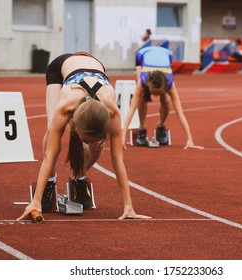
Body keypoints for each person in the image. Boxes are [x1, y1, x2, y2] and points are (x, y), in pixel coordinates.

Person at [17, 52, 151, 221]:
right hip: (61, 67)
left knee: (99, 145)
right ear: (75, 124)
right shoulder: (65, 106)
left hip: (95, 67)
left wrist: (128, 206)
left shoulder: (112, 111)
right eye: (84, 140)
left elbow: (118, 160)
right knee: (51, 131)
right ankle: (50, 182)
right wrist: (36, 201)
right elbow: (50, 155)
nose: (84, 144)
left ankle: (78, 177)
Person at [122, 46, 203, 150]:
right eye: (153, 92)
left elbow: (180, 113)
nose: (155, 96)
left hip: (166, 55)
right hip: (142, 55)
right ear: (148, 85)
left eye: (159, 93)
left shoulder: (170, 84)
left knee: (166, 98)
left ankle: (161, 125)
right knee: (141, 96)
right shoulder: (143, 82)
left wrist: (189, 139)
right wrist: (123, 136)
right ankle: (142, 128)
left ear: (165, 86)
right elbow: (131, 110)